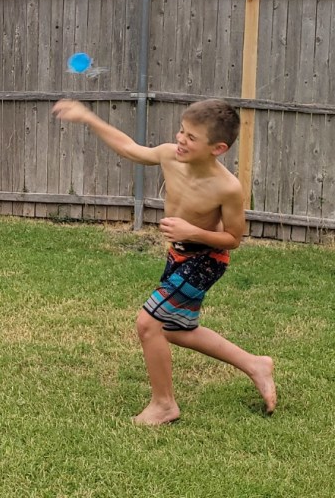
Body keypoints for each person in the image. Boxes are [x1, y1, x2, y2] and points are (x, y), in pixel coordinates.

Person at [52, 98, 276, 425]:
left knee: (148, 323)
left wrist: (193, 231)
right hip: (179, 255)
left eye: (191, 137)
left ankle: (164, 405)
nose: (181, 140)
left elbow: (233, 240)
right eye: (181, 132)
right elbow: (130, 149)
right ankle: (255, 364)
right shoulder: (170, 155)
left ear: (218, 148)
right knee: (175, 328)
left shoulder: (227, 188)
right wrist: (89, 118)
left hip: (206, 259)